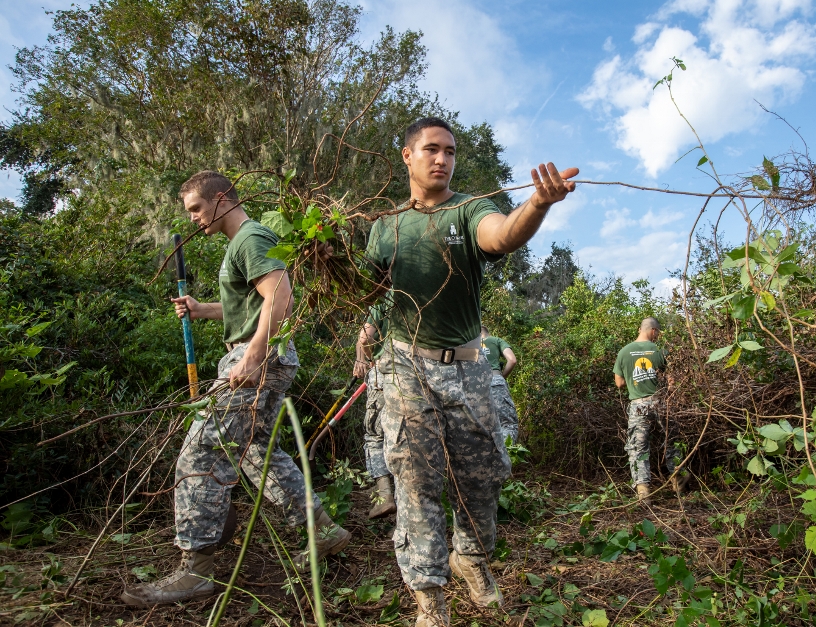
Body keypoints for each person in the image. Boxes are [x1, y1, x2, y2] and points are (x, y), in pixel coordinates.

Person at [365, 117, 577, 627]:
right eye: (432, 150)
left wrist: (537, 205)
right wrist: (364, 338)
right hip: (404, 363)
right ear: (408, 156)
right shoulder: (384, 226)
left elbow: (502, 235)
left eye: (450, 152)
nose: (442, 159)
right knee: (415, 480)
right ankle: (429, 599)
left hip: (467, 367)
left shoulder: (468, 209)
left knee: (483, 477)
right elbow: (372, 293)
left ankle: (472, 559)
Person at [121, 171, 351, 607]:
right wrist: (199, 309)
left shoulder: (249, 237)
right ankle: (321, 529)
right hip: (264, 353)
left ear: (222, 198)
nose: (193, 219)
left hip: (256, 358)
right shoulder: (239, 245)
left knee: (203, 451)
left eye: (196, 209)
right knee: (256, 452)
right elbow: (246, 306)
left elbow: (279, 295)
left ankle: (196, 571)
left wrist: (252, 355)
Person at [612, 317, 679, 501]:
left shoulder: (624, 352)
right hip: (660, 403)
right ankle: (678, 481)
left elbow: (618, 383)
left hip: (638, 405)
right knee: (672, 440)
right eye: (658, 333)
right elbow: (672, 382)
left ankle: (643, 491)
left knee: (638, 447)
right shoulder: (660, 351)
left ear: (640, 329)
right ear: (653, 331)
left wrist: (634, 379)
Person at [353, 298, 397, 519]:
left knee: (374, 435)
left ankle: (385, 492)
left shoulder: (385, 299)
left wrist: (372, 362)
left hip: (385, 371)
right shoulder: (423, 293)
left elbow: (365, 338)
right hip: (420, 373)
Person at [480, 325, 519, 445]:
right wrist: (501, 377)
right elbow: (512, 360)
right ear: (487, 332)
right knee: (507, 424)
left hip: (473, 387)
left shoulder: (469, 344)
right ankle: (507, 456)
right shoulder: (496, 340)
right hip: (495, 381)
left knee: (481, 426)